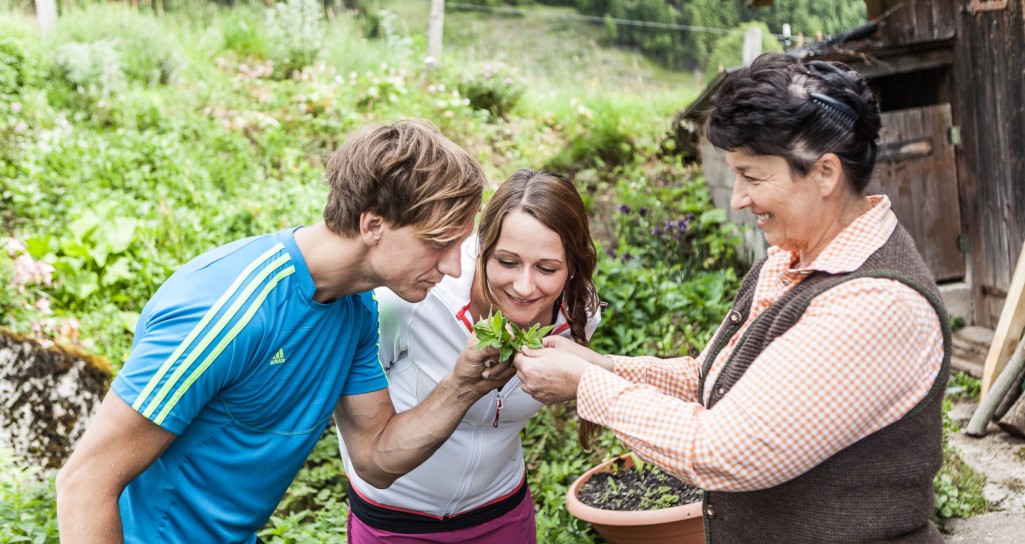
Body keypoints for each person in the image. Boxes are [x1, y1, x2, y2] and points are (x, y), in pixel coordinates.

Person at [515, 52, 951, 543]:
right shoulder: (789, 260)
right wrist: (604, 366)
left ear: (825, 173)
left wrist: (587, 386)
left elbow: (722, 450)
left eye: (753, 176)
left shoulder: (873, 306)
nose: (737, 199)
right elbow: (708, 379)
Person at [55, 119, 516, 544]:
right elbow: (85, 483)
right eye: (439, 243)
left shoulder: (354, 310)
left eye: (461, 245)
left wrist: (462, 387)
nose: (455, 266)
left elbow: (376, 458)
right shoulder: (227, 308)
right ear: (373, 223)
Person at [338, 169, 602, 543]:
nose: (525, 287)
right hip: (395, 521)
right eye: (507, 262)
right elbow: (360, 430)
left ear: (572, 267)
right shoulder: (409, 303)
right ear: (481, 249)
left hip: (502, 513)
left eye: (547, 268)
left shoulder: (578, 314)